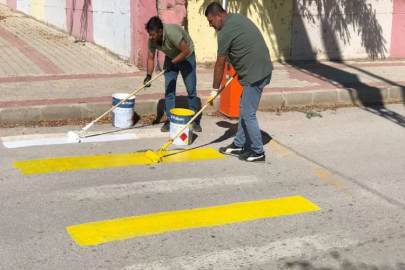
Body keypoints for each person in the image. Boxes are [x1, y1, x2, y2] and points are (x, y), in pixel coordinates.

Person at [204, 3, 273, 162]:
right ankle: (238, 144)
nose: (210, 25)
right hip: (259, 68)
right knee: (243, 107)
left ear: (219, 16)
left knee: (248, 113)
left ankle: (258, 152)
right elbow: (239, 46)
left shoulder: (224, 32)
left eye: (211, 21)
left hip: (255, 74)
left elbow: (220, 64)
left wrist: (215, 90)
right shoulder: (237, 18)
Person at [143, 16, 202, 133]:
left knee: (191, 89)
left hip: (186, 57)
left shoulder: (172, 33)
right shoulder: (152, 39)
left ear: (160, 32)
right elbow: (150, 57)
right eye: (150, 34)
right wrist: (148, 75)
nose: (151, 37)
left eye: (153, 35)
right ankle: (170, 120)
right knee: (169, 91)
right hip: (171, 57)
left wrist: (173, 63)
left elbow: (186, 51)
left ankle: (194, 119)